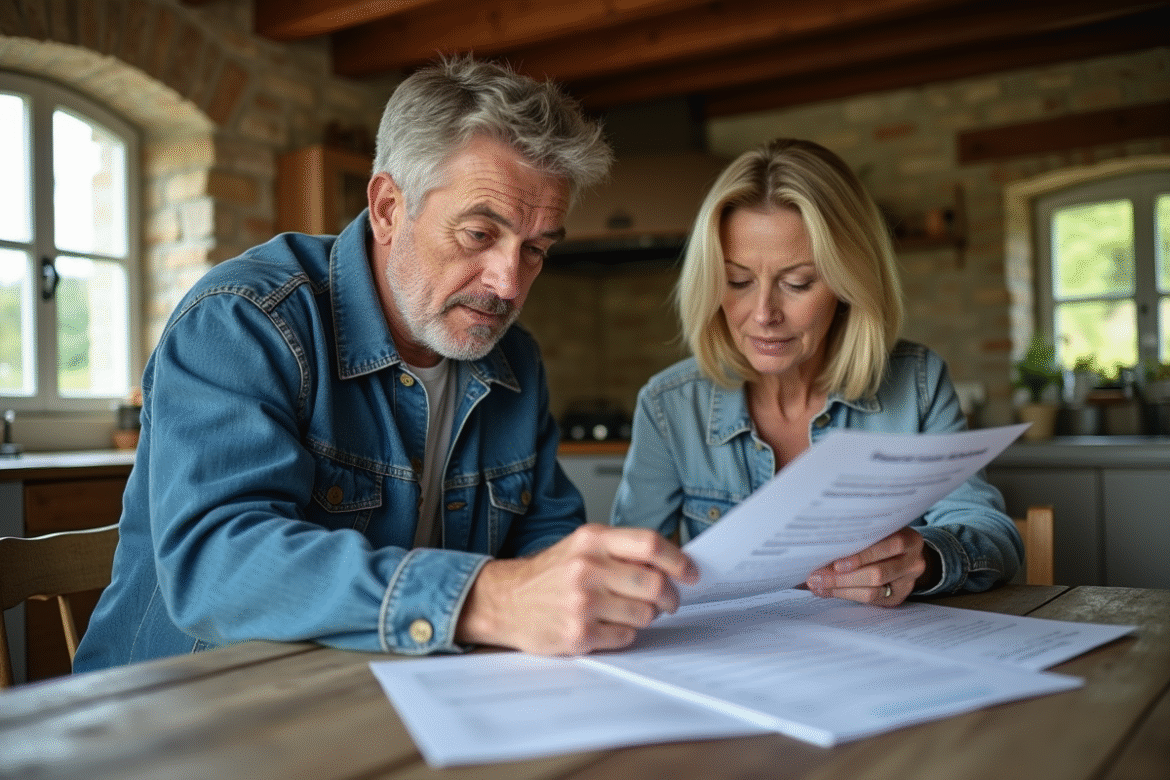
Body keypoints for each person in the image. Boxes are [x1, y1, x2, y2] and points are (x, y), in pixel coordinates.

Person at [75, 57, 697, 672]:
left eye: (534, 249)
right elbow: (216, 565)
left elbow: (546, 544)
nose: (508, 285)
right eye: (480, 235)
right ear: (388, 207)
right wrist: (484, 600)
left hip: (387, 697)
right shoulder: (244, 320)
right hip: (188, 713)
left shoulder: (515, 361)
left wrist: (597, 592)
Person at [611, 138, 1021, 604]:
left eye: (797, 282)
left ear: (850, 282)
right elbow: (628, 567)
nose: (764, 313)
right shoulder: (671, 406)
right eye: (738, 281)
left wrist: (926, 560)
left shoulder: (917, 384)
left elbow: (996, 538)